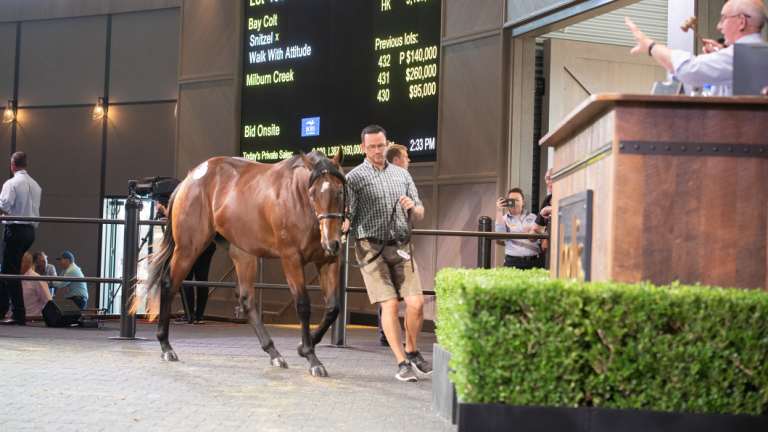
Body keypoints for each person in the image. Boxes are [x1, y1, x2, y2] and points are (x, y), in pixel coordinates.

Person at [345, 124, 431, 382]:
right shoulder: (354, 179)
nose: (377, 151)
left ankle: (412, 350)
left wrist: (412, 207)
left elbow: (420, 212)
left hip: (401, 244)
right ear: (363, 148)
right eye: (371, 147)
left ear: (386, 144)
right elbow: (348, 215)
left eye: (381, 145)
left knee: (416, 303)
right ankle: (402, 362)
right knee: (390, 304)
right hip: (370, 247)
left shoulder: (402, 175)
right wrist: (344, 225)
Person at [625, 0, 767, 96]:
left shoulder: (740, 56)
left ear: (741, 21)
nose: (719, 26)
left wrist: (650, 46)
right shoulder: (758, 53)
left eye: (723, 18)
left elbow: (688, 70)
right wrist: (720, 54)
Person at [155, 186, 216, 324]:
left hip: (193, 245)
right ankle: (198, 316)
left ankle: (190, 315)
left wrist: (164, 212)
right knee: (201, 279)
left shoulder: (182, 205)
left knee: (187, 278)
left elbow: (178, 221)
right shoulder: (201, 204)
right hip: (207, 245)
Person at [0, 151, 42, 325]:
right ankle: (10, 311)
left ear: (12, 165)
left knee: (8, 272)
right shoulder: (36, 185)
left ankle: (16, 313)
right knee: (10, 270)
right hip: (30, 232)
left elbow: (4, 205)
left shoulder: (12, 183)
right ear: (26, 164)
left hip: (16, 230)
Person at [495, 188, 541, 269]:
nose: (514, 203)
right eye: (511, 200)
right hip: (512, 261)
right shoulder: (503, 219)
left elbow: (536, 237)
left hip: (533, 261)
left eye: (516, 200)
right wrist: (499, 210)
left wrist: (532, 232)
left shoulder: (534, 217)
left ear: (523, 202)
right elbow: (500, 237)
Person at [20, 252, 51, 318]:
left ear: (27, 263)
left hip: (32, 321)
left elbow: (49, 303)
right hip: (10, 320)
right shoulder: (11, 277)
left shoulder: (37, 279)